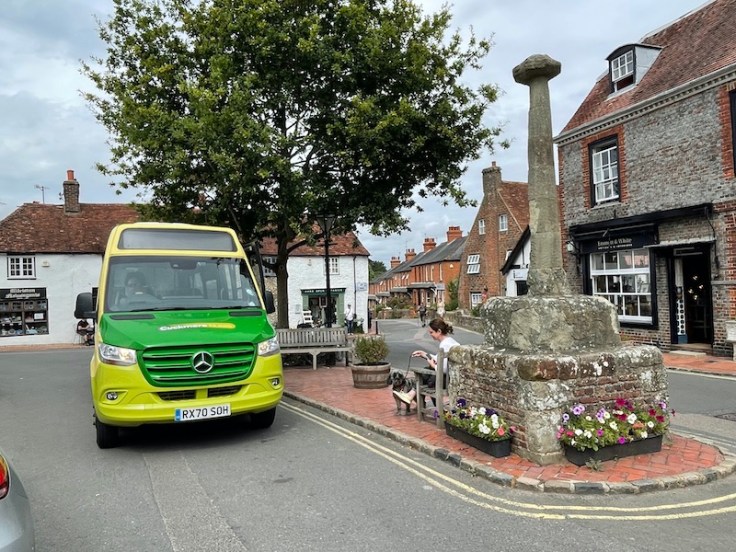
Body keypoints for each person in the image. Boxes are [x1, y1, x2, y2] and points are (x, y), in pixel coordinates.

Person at [393, 318, 459, 407]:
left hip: (446, 381)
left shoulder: (444, 344)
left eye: (431, 332)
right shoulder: (450, 341)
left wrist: (433, 365)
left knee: (423, 376)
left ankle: (411, 396)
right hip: (452, 378)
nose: (430, 335)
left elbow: (443, 369)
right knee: (426, 372)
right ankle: (411, 395)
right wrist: (424, 354)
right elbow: (440, 359)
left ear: (439, 331)